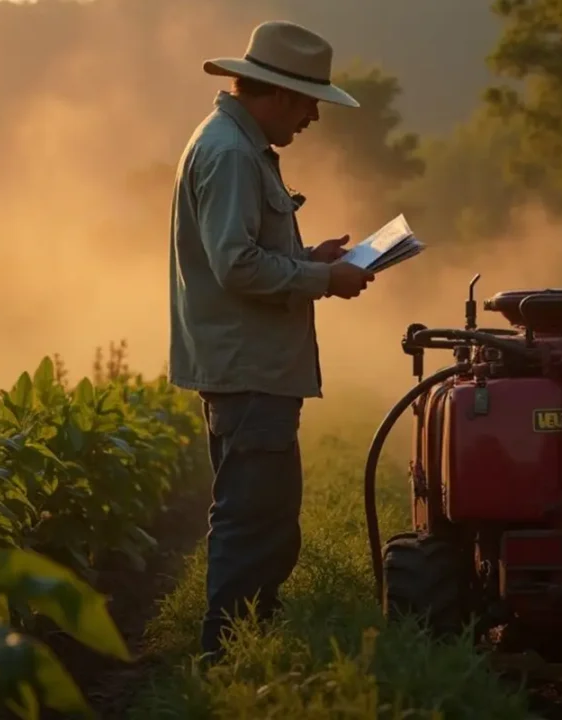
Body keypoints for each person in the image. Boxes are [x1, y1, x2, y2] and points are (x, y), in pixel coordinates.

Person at [167, 20, 376, 661]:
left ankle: (249, 639)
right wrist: (323, 279)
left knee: (266, 515)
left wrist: (310, 258)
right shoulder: (232, 154)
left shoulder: (231, 143)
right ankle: (226, 653)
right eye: (309, 102)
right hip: (249, 369)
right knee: (252, 518)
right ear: (280, 95)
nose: (313, 117)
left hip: (249, 366)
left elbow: (242, 253)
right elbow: (235, 266)